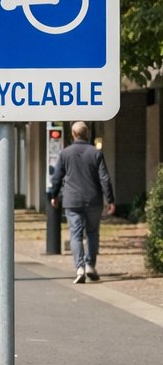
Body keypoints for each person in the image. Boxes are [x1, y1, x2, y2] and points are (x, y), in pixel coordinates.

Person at [49, 121, 115, 283]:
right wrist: (110, 199)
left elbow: (57, 177)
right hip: (93, 199)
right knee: (92, 233)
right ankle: (90, 265)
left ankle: (79, 268)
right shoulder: (96, 153)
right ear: (87, 134)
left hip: (72, 200)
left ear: (73, 134)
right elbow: (104, 178)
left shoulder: (65, 153)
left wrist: (54, 195)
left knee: (75, 235)